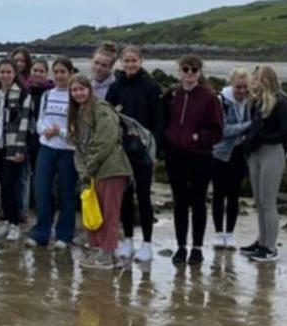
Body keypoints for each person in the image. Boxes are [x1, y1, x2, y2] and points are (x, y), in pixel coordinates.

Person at [105, 44, 164, 263]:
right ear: (121, 62)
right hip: (121, 150)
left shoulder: (150, 86)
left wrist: (155, 152)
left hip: (144, 151)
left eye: (134, 60)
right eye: (126, 61)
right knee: (125, 196)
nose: (130, 64)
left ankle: (147, 243)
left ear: (141, 61)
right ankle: (127, 240)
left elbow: (159, 121)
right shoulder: (115, 87)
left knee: (144, 196)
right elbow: (108, 119)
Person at [163, 55, 223, 266]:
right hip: (175, 156)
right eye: (186, 69)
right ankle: (181, 246)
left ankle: (197, 248)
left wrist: (198, 137)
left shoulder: (209, 96)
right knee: (180, 202)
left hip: (201, 157)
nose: (189, 74)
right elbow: (163, 121)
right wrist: (167, 142)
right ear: (179, 71)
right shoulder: (172, 94)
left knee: (198, 202)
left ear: (199, 72)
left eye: (194, 70)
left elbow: (217, 129)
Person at [69, 74, 133, 269]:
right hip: (94, 171)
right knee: (95, 211)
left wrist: (89, 166)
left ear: (89, 89)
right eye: (75, 90)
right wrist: (85, 172)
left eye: (82, 89)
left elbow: (106, 139)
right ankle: (103, 252)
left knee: (109, 213)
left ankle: (107, 254)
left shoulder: (101, 108)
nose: (79, 93)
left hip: (111, 168)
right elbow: (78, 146)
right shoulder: (78, 112)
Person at [242, 65, 287, 263]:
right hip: (256, 154)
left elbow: (286, 132)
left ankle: (270, 247)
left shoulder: (280, 103)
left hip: (272, 153)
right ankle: (261, 241)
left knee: (268, 201)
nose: (252, 81)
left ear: (264, 79)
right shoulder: (256, 102)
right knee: (259, 201)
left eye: (255, 78)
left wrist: (262, 138)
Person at [26, 57, 78, 249]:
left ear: (70, 73)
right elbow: (40, 120)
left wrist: (61, 132)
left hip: (68, 151)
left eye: (63, 71)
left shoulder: (75, 95)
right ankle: (41, 232)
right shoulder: (48, 95)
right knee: (42, 191)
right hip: (46, 149)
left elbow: (79, 128)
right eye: (55, 72)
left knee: (66, 194)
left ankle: (64, 235)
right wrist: (44, 131)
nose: (59, 75)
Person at [0, 59, 32, 241]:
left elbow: (25, 125)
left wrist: (20, 150)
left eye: (9, 72)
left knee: (11, 185)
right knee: (3, 186)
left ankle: (15, 224)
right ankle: (8, 222)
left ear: (14, 73)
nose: (5, 75)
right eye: (2, 72)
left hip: (13, 147)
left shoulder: (23, 95)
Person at [211, 67, 253, 250]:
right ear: (231, 85)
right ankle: (219, 233)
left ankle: (230, 233)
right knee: (219, 194)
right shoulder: (221, 101)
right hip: (220, 153)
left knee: (234, 195)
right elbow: (224, 130)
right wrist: (249, 125)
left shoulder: (251, 102)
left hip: (240, 153)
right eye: (238, 87)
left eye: (245, 87)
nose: (242, 91)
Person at [22, 60, 53, 214]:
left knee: (40, 174)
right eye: (35, 70)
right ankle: (26, 204)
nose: (38, 74)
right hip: (26, 135)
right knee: (24, 173)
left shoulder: (50, 91)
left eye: (41, 71)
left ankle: (38, 205)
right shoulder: (24, 89)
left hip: (44, 138)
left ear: (46, 74)